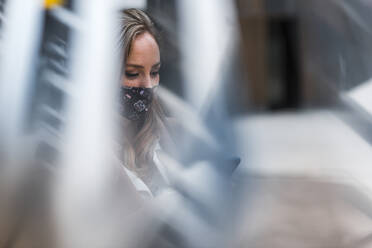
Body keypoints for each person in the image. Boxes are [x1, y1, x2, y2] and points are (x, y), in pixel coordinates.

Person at [117, 8, 171, 198]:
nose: (147, 85)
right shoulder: (82, 146)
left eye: (154, 72)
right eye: (132, 73)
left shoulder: (167, 131)